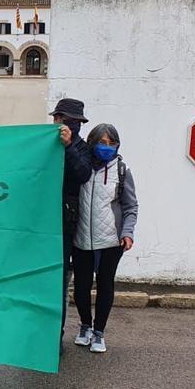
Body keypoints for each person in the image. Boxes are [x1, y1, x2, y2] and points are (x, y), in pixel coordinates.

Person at [70, 123, 138, 354]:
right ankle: (85, 325)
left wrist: (127, 232)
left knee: (105, 285)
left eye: (112, 143)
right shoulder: (81, 167)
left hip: (110, 241)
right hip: (81, 239)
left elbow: (130, 206)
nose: (107, 147)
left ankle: (99, 332)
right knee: (80, 287)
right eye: (102, 142)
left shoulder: (121, 170)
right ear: (92, 142)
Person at [50, 98, 95, 354]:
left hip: (64, 224)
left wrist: (68, 147)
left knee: (57, 282)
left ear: (77, 124)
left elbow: (83, 175)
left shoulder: (81, 148)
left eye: (67, 120)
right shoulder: (43, 141)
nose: (61, 123)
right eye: (59, 118)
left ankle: (55, 336)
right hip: (37, 222)